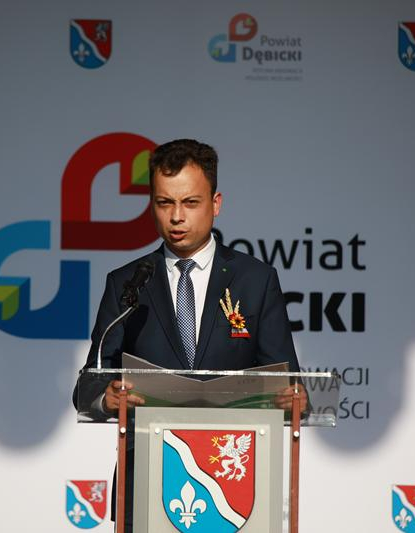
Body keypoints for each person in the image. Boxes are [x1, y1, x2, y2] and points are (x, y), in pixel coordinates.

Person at [74, 138, 304, 531]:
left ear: (216, 203)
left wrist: (292, 397)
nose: (177, 217)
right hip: (146, 479)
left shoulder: (256, 280)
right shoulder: (127, 282)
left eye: (190, 203)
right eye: (165, 203)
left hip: (234, 481)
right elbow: (88, 386)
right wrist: (105, 396)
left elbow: (288, 381)